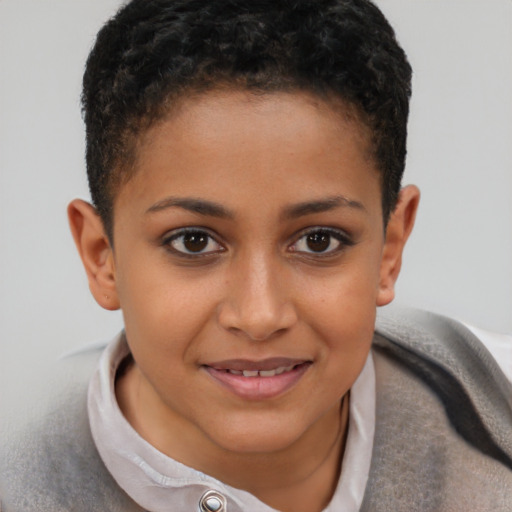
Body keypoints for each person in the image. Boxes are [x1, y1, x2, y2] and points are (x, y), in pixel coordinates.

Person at [1, 0, 511, 510]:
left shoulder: (495, 415)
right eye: (193, 241)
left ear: (389, 248)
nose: (260, 315)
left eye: (319, 240)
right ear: (101, 256)